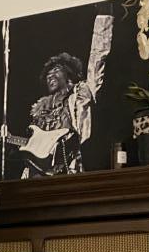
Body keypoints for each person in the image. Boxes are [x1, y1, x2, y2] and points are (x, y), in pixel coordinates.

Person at [21, 14, 113, 177]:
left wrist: (103, 19)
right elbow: (34, 146)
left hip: (68, 171)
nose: (50, 75)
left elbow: (97, 58)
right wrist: (7, 139)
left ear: (69, 74)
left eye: (56, 70)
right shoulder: (40, 110)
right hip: (36, 175)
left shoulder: (80, 96)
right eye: (47, 74)